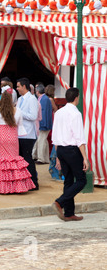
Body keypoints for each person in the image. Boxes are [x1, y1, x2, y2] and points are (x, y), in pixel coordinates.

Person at [51, 88, 89, 222]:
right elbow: (79, 138)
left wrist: (57, 156)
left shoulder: (59, 112)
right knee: (81, 180)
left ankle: (69, 213)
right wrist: (85, 157)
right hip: (72, 150)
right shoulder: (76, 114)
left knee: (68, 180)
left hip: (60, 149)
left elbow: (55, 136)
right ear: (77, 98)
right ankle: (60, 202)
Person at [0, 92, 36, 194]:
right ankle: (16, 186)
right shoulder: (17, 110)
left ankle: (3, 187)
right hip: (13, 137)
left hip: (2, 137)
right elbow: (20, 125)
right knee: (14, 160)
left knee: (2, 161)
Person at [16, 78, 39, 190]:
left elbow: (33, 116)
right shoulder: (20, 99)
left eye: (18, 86)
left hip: (28, 133)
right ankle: (24, 182)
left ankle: (34, 182)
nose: (17, 88)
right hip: (19, 133)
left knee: (27, 158)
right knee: (21, 158)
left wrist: (19, 112)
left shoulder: (32, 99)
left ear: (24, 87)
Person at [32, 84, 53, 164]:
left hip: (43, 124)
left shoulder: (43, 99)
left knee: (41, 141)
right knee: (44, 141)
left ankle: (41, 158)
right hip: (45, 123)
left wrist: (41, 124)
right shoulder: (44, 98)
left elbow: (43, 113)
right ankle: (45, 158)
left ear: (37, 92)